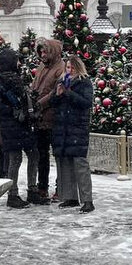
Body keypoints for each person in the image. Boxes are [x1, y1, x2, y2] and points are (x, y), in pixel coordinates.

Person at [0, 48, 36, 209]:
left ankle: (32, 189)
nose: (18, 62)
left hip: (21, 124)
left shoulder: (14, 77)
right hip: (11, 125)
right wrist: (12, 111)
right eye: (16, 60)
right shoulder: (0, 80)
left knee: (32, 154)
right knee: (15, 159)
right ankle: (13, 194)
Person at [52, 54, 95, 212]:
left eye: (71, 68)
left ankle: (87, 200)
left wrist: (68, 93)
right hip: (63, 128)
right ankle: (70, 197)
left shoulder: (84, 82)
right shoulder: (61, 82)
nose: (69, 71)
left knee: (80, 164)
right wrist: (57, 95)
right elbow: (53, 103)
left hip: (77, 128)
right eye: (67, 67)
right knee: (65, 163)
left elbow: (85, 102)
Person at [30, 39, 66, 201]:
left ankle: (61, 188)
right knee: (41, 155)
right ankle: (42, 187)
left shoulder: (61, 68)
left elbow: (55, 93)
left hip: (54, 118)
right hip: (40, 120)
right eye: (41, 52)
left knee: (58, 156)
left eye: (45, 52)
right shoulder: (41, 67)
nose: (43, 55)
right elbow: (36, 87)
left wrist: (39, 104)